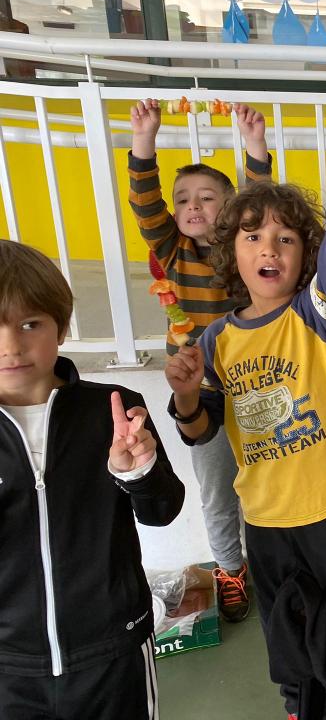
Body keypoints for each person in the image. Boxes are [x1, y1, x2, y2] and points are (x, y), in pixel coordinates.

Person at [164, 99, 326, 720]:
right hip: (266, 515)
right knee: (285, 631)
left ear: (305, 257)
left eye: (285, 238)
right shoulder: (216, 340)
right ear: (232, 252)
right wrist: (187, 395)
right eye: (252, 237)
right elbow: (200, 431)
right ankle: (300, 704)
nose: (268, 247)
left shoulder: (318, 316)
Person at [0, 239, 184, 719]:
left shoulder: (113, 409)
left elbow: (162, 510)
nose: (11, 345)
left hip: (113, 650)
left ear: (61, 328)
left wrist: (136, 471)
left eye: (29, 324)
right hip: (10, 665)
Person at [129, 98, 271, 622]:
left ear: (232, 210)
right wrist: (144, 140)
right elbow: (145, 204)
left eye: (207, 198)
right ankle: (230, 569)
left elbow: (260, 204)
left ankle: (272, 563)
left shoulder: (245, 248)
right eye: (183, 199)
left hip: (256, 384)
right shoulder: (171, 250)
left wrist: (254, 146)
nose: (193, 207)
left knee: (267, 482)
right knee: (216, 490)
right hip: (201, 393)